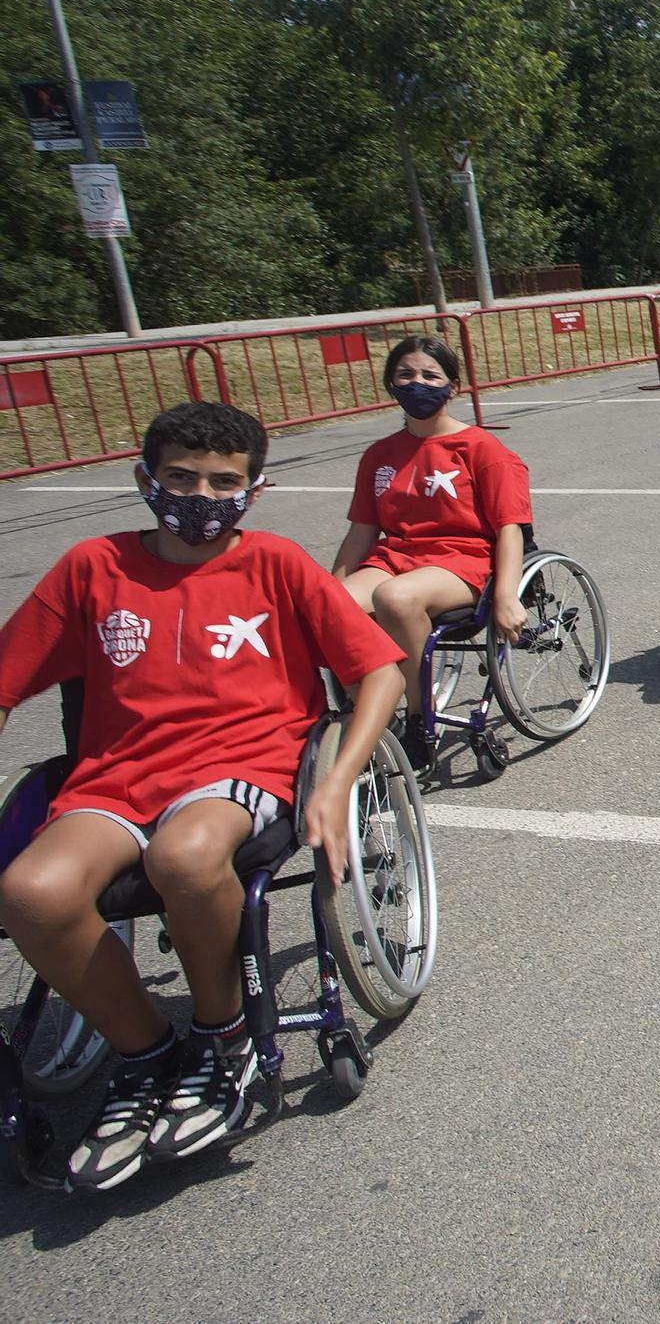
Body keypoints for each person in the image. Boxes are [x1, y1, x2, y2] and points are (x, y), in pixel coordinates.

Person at [0, 402, 404, 1191]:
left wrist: (339, 778)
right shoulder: (93, 567)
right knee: (29, 890)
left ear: (254, 490)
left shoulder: (277, 565)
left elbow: (378, 672)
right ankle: (149, 1051)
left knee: (184, 857)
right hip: (115, 774)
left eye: (224, 482)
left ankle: (223, 1039)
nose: (200, 495)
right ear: (144, 479)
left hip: (244, 764)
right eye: (181, 477)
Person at [331, 335, 531, 769]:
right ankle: (367, 712)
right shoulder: (379, 455)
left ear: (452, 386)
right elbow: (361, 533)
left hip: (460, 559)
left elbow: (509, 529)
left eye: (429, 375)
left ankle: (422, 715)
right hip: (395, 557)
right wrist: (329, 591)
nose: (416, 383)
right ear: (390, 384)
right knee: (333, 608)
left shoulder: (482, 449)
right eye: (405, 374)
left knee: (395, 598)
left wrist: (507, 595)